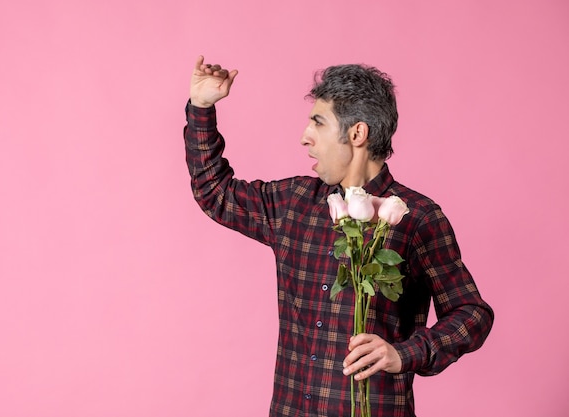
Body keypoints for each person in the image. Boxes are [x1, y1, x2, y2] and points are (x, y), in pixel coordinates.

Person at [184, 55, 493, 417]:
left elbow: (471, 313)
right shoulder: (294, 203)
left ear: (357, 134)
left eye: (318, 122)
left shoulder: (416, 217)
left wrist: (404, 353)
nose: (304, 137)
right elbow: (215, 192)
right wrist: (202, 107)